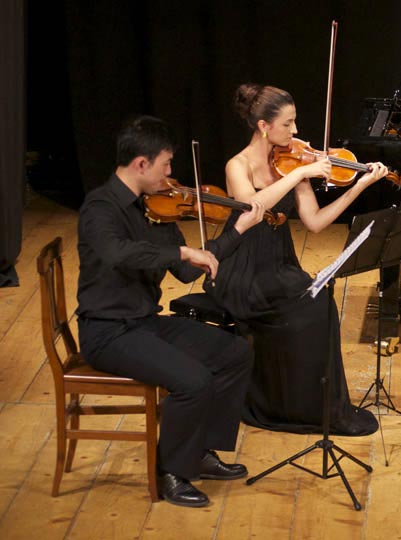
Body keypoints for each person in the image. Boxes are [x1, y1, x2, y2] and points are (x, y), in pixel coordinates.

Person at [77, 116, 265, 508]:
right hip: (107, 332)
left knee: (235, 353)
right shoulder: (100, 207)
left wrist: (237, 230)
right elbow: (119, 253)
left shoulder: (156, 208)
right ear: (141, 164)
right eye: (165, 164)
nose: (171, 173)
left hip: (143, 323)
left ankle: (201, 452)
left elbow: (184, 270)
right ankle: (170, 473)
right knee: (193, 380)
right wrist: (181, 250)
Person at [204, 83, 388, 436]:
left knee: (319, 302)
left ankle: (314, 406)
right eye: (288, 124)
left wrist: (358, 187)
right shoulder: (237, 166)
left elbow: (315, 223)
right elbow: (253, 209)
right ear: (263, 126)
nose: (296, 132)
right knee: (303, 309)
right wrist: (300, 175)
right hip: (243, 268)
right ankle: (276, 404)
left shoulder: (292, 162)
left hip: (279, 263)